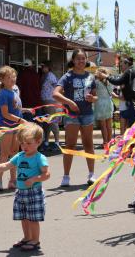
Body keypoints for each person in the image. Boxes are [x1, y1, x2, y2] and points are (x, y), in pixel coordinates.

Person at [0, 123, 50, 251]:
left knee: (32, 219)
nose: (24, 146)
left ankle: (35, 240)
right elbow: (6, 165)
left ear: (38, 142)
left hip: (34, 192)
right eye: (22, 143)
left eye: (28, 143)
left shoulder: (39, 158)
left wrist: (35, 179)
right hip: (21, 192)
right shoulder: (20, 156)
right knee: (23, 217)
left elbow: (46, 174)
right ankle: (27, 237)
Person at [53, 49, 98, 187]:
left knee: (88, 144)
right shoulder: (67, 76)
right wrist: (69, 102)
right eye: (78, 58)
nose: (81, 61)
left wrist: (92, 98)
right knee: (70, 145)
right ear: (73, 60)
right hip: (72, 116)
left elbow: (95, 96)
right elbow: (55, 94)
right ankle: (66, 176)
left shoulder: (90, 77)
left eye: (83, 58)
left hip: (87, 114)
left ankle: (91, 174)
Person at [0, 66, 27, 191]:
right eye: (8, 77)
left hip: (17, 127)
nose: (12, 79)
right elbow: (5, 113)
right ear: (2, 79)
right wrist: (21, 120)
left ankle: (13, 181)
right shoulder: (3, 94)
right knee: (4, 154)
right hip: (6, 127)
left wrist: (25, 110)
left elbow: (16, 110)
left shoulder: (14, 92)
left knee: (15, 153)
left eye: (13, 76)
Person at [98, 56, 135, 128]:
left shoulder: (128, 71)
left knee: (132, 128)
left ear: (127, 64)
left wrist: (105, 76)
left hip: (132, 104)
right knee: (133, 127)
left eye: (121, 65)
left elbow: (117, 82)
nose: (120, 67)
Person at [40, 60, 60, 151]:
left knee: (52, 121)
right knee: (46, 122)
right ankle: (46, 141)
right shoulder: (44, 76)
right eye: (42, 67)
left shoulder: (51, 76)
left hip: (50, 100)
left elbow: (57, 86)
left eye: (44, 66)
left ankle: (57, 142)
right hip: (44, 100)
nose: (42, 68)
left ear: (48, 67)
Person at [94, 67, 114, 147]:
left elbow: (94, 93)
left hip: (100, 103)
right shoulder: (109, 82)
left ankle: (105, 143)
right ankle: (110, 142)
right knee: (109, 125)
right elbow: (111, 92)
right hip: (109, 103)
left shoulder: (97, 82)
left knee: (103, 126)